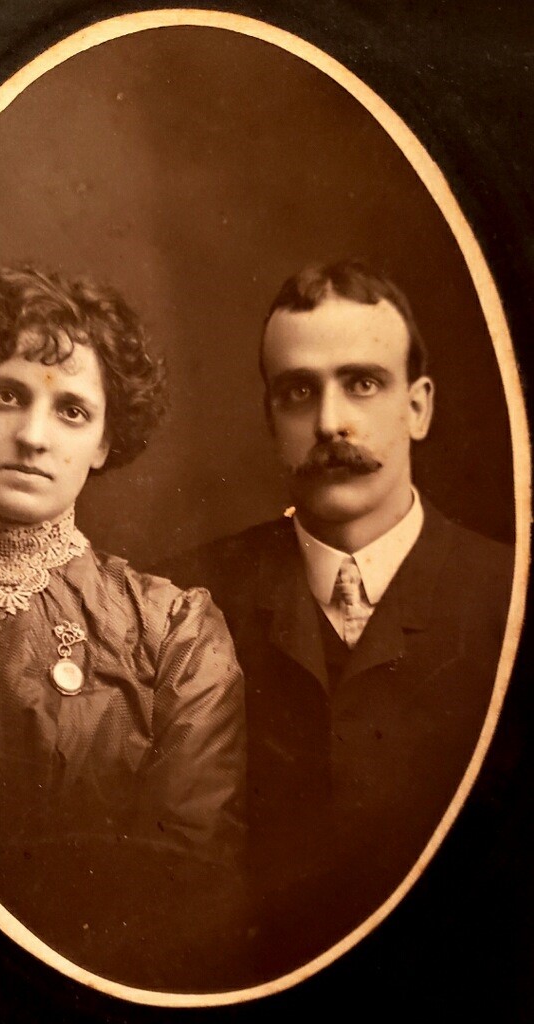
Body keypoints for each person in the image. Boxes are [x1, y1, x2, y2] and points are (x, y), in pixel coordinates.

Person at [0, 265, 246, 990]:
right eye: (6, 396)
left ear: (106, 441)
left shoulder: (175, 633)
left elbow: (191, 876)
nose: (33, 436)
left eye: (72, 410)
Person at [162, 260, 515, 982]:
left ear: (416, 406)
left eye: (362, 383)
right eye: (298, 392)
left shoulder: (510, 591)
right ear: (270, 419)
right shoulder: (180, 600)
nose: (329, 423)